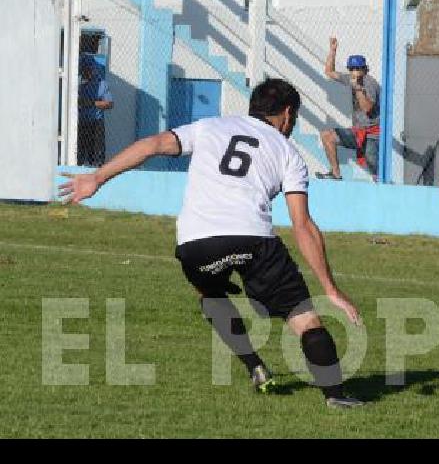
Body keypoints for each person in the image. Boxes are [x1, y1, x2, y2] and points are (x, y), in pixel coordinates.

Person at [59, 78, 365, 409]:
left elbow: (152, 144)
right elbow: (302, 225)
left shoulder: (209, 127)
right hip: (254, 238)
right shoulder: (288, 152)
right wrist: (330, 289)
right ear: (288, 114)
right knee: (303, 318)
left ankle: (255, 366)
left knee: (209, 293)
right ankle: (335, 396)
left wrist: (97, 177)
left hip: (196, 242)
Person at [315, 37, 381, 181]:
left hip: (372, 135)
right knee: (327, 136)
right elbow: (329, 72)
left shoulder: (370, 84)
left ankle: (382, 186)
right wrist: (333, 51)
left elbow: (367, 109)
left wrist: (357, 88)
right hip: (357, 132)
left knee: (376, 170)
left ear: (365, 69)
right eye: (352, 68)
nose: (355, 71)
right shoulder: (351, 79)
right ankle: (336, 174)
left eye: (358, 68)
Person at [77, 54, 114, 167]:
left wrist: (91, 103)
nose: (89, 71)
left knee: (97, 156)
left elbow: (109, 103)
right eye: (86, 69)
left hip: (96, 123)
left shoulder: (101, 84)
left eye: (91, 68)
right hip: (81, 123)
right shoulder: (77, 85)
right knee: (80, 155)